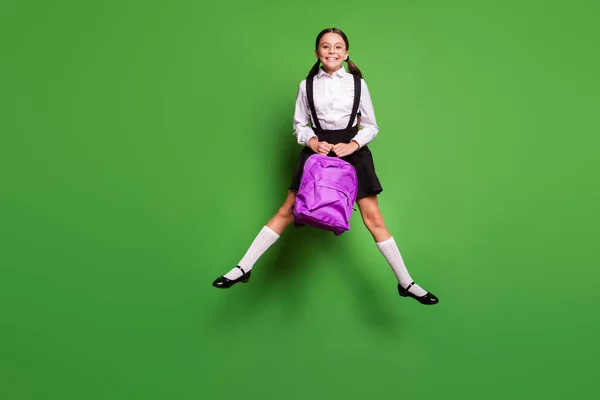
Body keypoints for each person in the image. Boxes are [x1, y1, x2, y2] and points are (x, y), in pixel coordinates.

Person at [212, 28, 439, 305]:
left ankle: (406, 282)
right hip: (317, 152)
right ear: (317, 52)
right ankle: (243, 267)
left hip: (353, 152)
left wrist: (353, 145)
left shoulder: (358, 84)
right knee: (287, 209)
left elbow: (371, 126)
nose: (332, 51)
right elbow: (299, 126)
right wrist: (312, 141)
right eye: (325, 46)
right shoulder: (306, 85)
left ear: (346, 53)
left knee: (374, 219)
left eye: (338, 47)